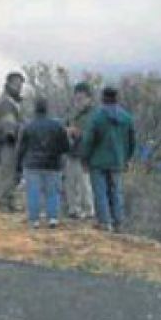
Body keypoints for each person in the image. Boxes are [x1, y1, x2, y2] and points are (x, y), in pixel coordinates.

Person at [78, 86, 136, 232]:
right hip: (118, 161)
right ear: (117, 98)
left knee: (100, 192)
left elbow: (88, 140)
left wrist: (84, 158)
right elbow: (131, 141)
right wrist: (127, 158)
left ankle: (104, 222)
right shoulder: (127, 118)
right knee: (116, 191)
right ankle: (118, 222)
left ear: (103, 98)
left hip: (97, 161)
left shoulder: (97, 117)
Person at [16, 97, 70, 228]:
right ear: (47, 109)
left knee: (33, 192)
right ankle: (53, 218)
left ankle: (34, 220)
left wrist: (18, 165)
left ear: (35, 109)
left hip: (32, 164)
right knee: (52, 192)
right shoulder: (58, 126)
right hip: (53, 164)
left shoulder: (28, 126)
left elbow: (21, 148)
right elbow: (66, 147)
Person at [0, 72, 26, 212]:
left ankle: (8, 202)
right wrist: (16, 135)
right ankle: (2, 204)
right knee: (6, 172)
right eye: (17, 84)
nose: (19, 87)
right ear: (9, 84)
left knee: (11, 174)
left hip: (11, 142)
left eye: (21, 85)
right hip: (6, 143)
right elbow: (8, 126)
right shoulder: (7, 102)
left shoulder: (13, 101)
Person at [63, 82, 95, 220]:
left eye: (81, 99)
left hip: (84, 155)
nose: (78, 102)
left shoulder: (93, 115)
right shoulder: (73, 115)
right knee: (70, 183)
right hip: (72, 152)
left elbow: (91, 135)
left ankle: (88, 211)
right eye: (76, 99)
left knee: (84, 185)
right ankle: (73, 209)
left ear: (89, 99)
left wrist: (77, 133)